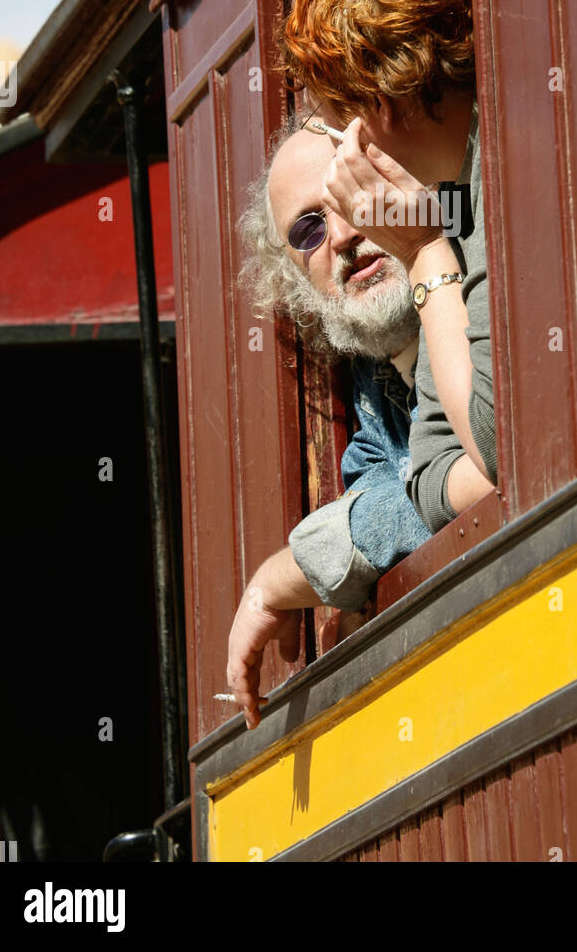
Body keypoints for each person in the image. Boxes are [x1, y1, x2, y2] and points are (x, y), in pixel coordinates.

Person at [279, 0, 497, 537]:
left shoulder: (479, 193)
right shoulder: (453, 200)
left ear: (371, 104)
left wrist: (425, 251)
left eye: (335, 119)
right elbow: (429, 473)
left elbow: (497, 447)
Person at [227, 113, 431, 728]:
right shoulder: (377, 366)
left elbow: (467, 481)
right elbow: (381, 483)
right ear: (295, 279)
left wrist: (285, 575)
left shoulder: (480, 301)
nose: (342, 234)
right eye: (309, 229)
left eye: (352, 188)